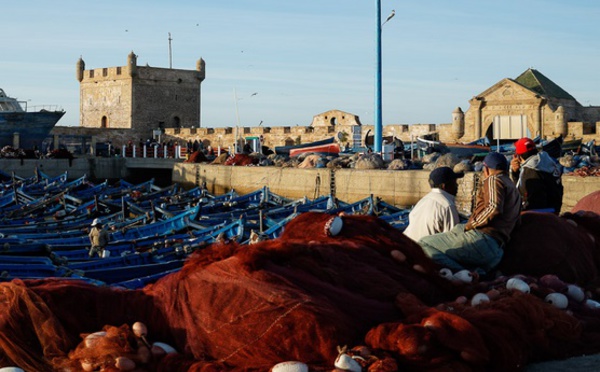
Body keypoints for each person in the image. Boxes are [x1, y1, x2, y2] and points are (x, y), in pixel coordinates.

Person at [418, 152, 521, 276]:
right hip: (497, 249)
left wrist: (472, 224)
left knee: (423, 244)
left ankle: (466, 274)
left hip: (482, 242)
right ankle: (478, 272)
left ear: (486, 169)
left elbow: (493, 207)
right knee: (458, 228)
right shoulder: (512, 187)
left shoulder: (493, 179)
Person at [403, 166, 463, 242]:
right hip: (426, 251)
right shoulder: (447, 206)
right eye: (454, 182)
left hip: (410, 245)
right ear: (444, 186)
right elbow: (453, 239)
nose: (457, 185)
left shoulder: (424, 200)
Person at [510, 137, 564, 213]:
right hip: (553, 212)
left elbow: (528, 198)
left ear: (518, 157)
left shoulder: (530, 171)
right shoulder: (549, 163)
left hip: (539, 217)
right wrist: (515, 173)